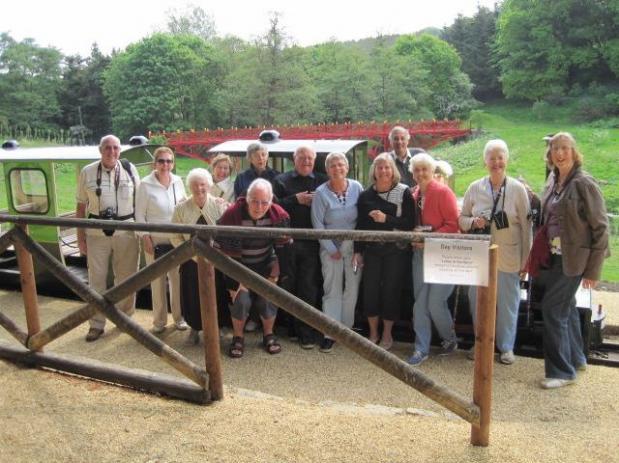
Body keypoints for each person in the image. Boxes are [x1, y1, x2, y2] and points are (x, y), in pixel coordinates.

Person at [535, 132, 609, 389]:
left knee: (552, 309)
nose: (560, 153)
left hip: (575, 259)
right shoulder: (553, 181)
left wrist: (593, 271)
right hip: (555, 257)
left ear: (574, 152)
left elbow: (601, 228)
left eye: (565, 148)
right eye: (555, 148)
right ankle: (577, 358)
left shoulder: (584, 183)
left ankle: (561, 372)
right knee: (564, 308)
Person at [459, 140, 532, 364]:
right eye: (492, 158)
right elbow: (461, 220)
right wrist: (473, 221)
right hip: (479, 258)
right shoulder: (475, 188)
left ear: (506, 160)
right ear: (485, 161)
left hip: (508, 256)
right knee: (477, 303)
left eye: (500, 157)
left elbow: (527, 227)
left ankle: (506, 347)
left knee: (508, 304)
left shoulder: (518, 190)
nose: (496, 162)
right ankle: (481, 343)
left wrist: (525, 261)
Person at [216, 178, 292, 358]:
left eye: (264, 202)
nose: (259, 206)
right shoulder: (232, 215)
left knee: (268, 297)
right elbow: (222, 254)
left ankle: (268, 334)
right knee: (241, 300)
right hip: (238, 267)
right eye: (255, 201)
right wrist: (236, 281)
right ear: (247, 199)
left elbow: (285, 251)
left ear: (271, 201)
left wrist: (273, 278)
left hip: (266, 264)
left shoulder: (279, 216)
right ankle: (238, 337)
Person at [76, 135, 140, 342]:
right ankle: (96, 324)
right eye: (107, 148)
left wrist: (142, 231)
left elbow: (139, 201)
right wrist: (81, 238)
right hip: (96, 232)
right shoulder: (87, 171)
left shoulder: (130, 169)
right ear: (100, 149)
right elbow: (80, 206)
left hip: (127, 231)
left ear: (120, 150)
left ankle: (125, 320)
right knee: (96, 279)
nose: (112, 152)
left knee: (128, 278)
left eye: (115, 148)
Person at [353, 153, 414, 350]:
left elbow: (409, 224)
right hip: (372, 250)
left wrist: (385, 219)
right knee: (369, 291)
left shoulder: (404, 192)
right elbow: (360, 226)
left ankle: (387, 333)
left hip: (395, 250)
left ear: (393, 170)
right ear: (374, 171)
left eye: (387, 167)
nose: (384, 170)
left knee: (391, 291)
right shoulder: (365, 196)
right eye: (379, 167)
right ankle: (373, 332)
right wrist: (357, 251)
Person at [407, 152, 460, 365]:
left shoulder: (443, 192)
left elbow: (453, 225)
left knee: (435, 302)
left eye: (425, 169)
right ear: (412, 173)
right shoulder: (414, 195)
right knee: (420, 303)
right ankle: (421, 348)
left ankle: (449, 339)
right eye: (417, 170)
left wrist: (428, 239)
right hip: (420, 254)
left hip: (443, 254)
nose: (421, 173)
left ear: (432, 171)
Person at [273, 146, 328, 349]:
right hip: (287, 242)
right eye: (302, 158)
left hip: (313, 242)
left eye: (310, 158)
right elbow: (274, 207)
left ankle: (306, 332)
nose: (306, 161)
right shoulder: (282, 180)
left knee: (308, 286)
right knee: (288, 285)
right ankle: (292, 329)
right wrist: (295, 200)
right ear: (294, 160)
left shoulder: (322, 180)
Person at [311, 152, 364, 353]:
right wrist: (331, 249)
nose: (337, 168)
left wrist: (359, 248)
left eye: (340, 164)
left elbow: (363, 218)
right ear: (327, 170)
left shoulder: (357, 187)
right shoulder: (321, 193)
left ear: (347, 167)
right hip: (330, 246)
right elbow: (317, 224)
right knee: (331, 288)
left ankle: (347, 330)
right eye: (332, 165)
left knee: (352, 287)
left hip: (353, 247)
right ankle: (330, 333)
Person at [135, 147, 189, 334]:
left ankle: (179, 317)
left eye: (169, 161)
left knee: (177, 279)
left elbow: (185, 205)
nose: (165, 165)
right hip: (155, 238)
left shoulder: (178, 181)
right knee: (157, 281)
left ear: (173, 163)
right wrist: (145, 237)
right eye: (161, 161)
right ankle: (159, 321)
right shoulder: (145, 184)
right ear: (155, 163)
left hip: (176, 237)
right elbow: (139, 215)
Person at [170, 168, 226, 344]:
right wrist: (190, 254)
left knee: (218, 294)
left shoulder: (219, 205)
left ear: (209, 186)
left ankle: (217, 328)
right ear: (190, 187)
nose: (199, 188)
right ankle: (194, 328)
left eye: (202, 184)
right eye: (195, 185)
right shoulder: (181, 207)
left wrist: (217, 254)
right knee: (192, 295)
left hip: (216, 260)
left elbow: (226, 232)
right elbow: (174, 235)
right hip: (190, 261)